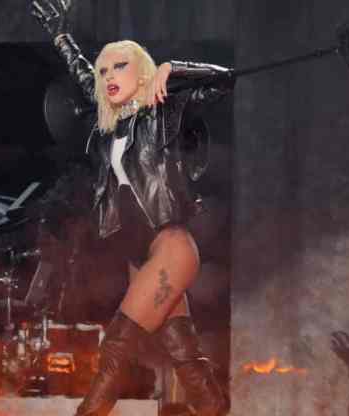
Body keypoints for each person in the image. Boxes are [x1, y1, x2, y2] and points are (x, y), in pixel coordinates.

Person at [31, 1, 234, 415]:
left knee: (116, 348)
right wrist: (60, 35)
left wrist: (172, 69)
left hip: (170, 247)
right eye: (104, 70)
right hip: (138, 256)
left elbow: (223, 79)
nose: (108, 76)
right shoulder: (110, 127)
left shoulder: (162, 112)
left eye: (119, 67)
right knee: (183, 353)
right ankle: (213, 405)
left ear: (142, 73)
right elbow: (82, 75)